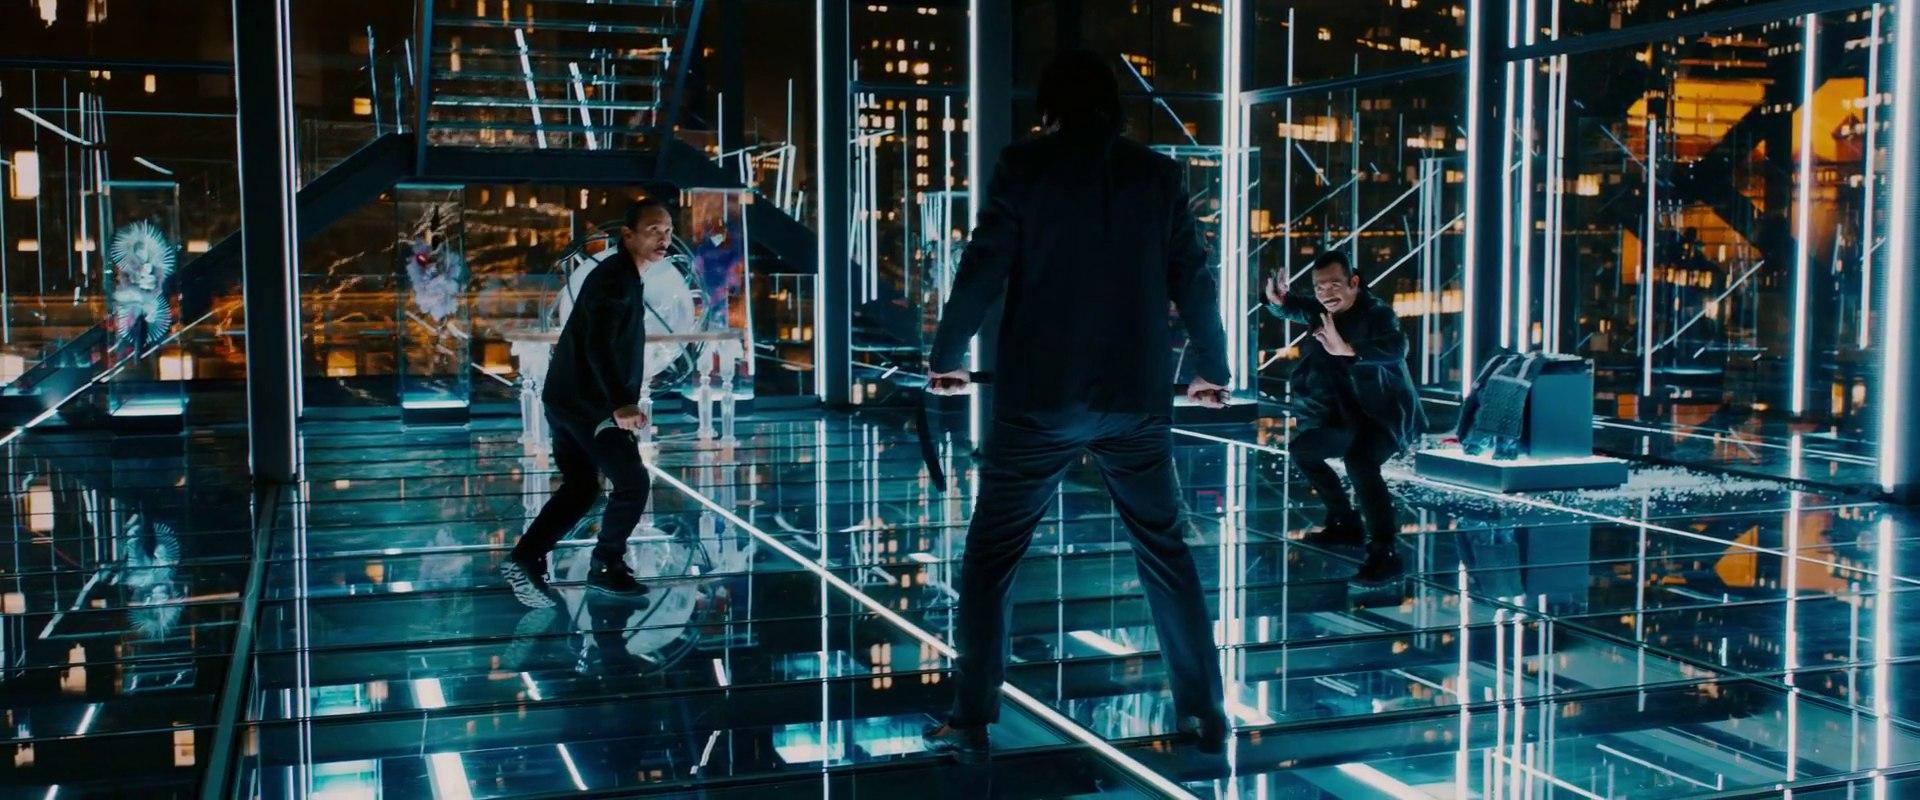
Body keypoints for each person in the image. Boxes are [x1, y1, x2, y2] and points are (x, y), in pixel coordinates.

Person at [918, 49, 1230, 764]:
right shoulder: (1158, 175)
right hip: (1135, 400)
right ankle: (1205, 713)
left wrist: (947, 354)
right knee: (1165, 554)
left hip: (1040, 401)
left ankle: (971, 716)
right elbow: (1193, 278)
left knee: (992, 558)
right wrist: (1210, 368)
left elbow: (984, 266)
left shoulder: (1024, 167)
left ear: (1050, 105)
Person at [499, 199, 673, 607]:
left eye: (667, 231)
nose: (663, 239)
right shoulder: (615, 278)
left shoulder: (622, 275)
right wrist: (619, 403)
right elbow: (597, 343)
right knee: (632, 482)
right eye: (653, 230)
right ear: (627, 234)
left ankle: (525, 558)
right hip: (589, 404)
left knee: (581, 486)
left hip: (570, 398)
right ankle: (605, 566)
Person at [1262, 251, 1423, 583]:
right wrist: (1277, 301)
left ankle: (1385, 553)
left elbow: (1397, 348)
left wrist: (1348, 350)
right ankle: (1345, 523)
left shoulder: (1377, 313)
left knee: (1360, 462)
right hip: (1347, 415)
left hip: (1384, 415)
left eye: (1334, 285)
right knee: (1304, 450)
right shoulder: (1323, 309)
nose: (1326, 293)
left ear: (1354, 283)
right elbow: (1294, 307)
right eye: (1320, 287)